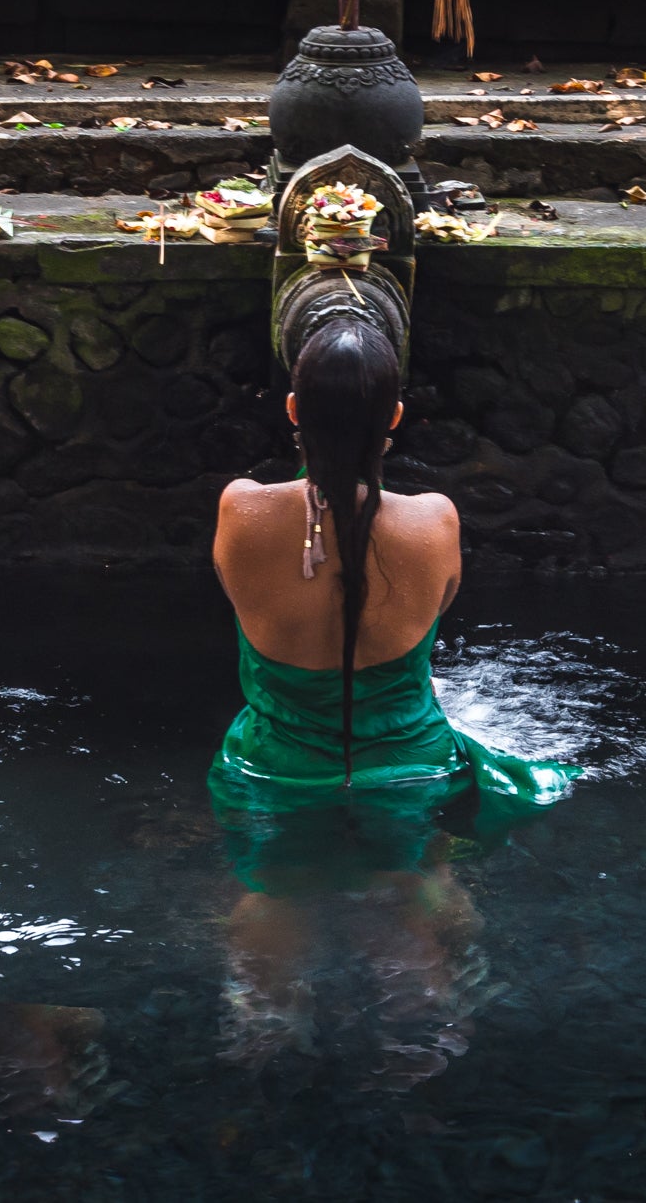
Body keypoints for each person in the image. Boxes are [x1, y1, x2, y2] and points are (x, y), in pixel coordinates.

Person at [207, 318, 576, 1081]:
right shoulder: (434, 521)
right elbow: (438, 606)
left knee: (273, 892)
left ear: (293, 410)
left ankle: (263, 1038)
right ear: (396, 417)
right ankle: (423, 1020)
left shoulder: (241, 510)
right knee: (421, 879)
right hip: (409, 769)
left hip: (280, 770)